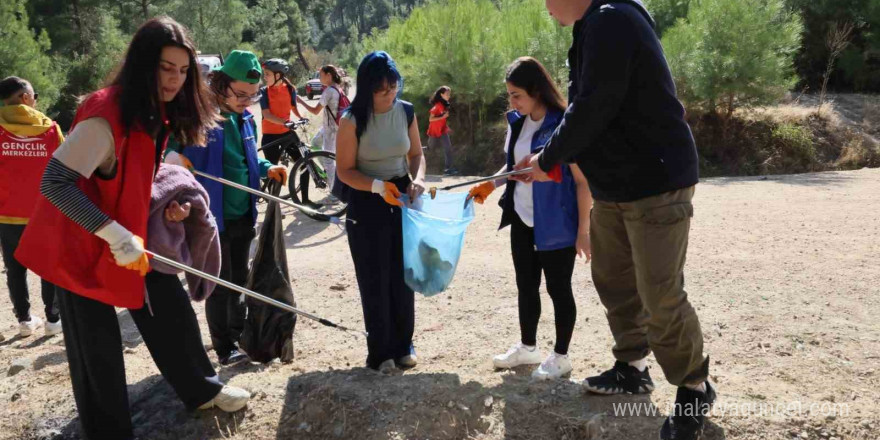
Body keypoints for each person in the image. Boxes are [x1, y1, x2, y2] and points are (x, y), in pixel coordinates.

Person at [14, 17, 250, 440]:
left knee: (169, 307)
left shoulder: (154, 114)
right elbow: (55, 182)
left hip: (126, 237)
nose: (175, 79)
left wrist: (166, 206)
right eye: (165, 68)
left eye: (183, 70)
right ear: (144, 64)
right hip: (75, 243)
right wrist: (114, 234)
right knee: (97, 348)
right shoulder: (106, 114)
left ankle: (202, 390)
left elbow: (132, 174)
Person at [517, 1, 713, 439]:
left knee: (659, 292)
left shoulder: (611, 20)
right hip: (614, 187)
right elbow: (584, 110)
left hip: (655, 181)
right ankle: (632, 367)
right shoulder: (593, 26)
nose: (543, 5)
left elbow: (594, 106)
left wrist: (548, 157)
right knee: (615, 280)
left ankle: (694, 387)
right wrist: (548, 156)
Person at [467, 58, 592, 380]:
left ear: (536, 91)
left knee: (558, 288)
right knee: (526, 285)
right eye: (509, 95)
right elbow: (513, 168)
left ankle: (561, 356)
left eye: (517, 95)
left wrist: (584, 230)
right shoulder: (517, 123)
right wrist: (489, 185)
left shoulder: (565, 125)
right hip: (522, 218)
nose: (511, 102)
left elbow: (582, 181)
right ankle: (528, 347)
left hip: (556, 222)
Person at [166, 50, 288, 366]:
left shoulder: (246, 118)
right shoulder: (195, 116)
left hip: (243, 212)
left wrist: (267, 167)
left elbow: (247, 159)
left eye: (253, 95)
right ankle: (223, 347)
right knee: (219, 283)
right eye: (241, 94)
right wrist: (176, 161)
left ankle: (239, 335)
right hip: (209, 216)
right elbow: (167, 156)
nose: (247, 101)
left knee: (240, 277)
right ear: (221, 84)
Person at [336, 51, 426, 374]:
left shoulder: (406, 112)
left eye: (394, 87)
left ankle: (404, 345)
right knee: (374, 277)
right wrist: (376, 187)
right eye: (382, 90)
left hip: (402, 196)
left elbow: (416, 154)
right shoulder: (351, 120)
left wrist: (416, 180)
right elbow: (345, 171)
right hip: (367, 199)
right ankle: (380, 352)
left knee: (403, 275)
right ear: (367, 88)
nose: (390, 95)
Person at [0, 76, 61, 337]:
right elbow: (65, 171)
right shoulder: (51, 129)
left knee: (15, 269)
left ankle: (24, 322)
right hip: (44, 213)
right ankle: (53, 321)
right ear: (25, 98)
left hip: (6, 213)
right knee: (49, 266)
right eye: (34, 97)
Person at [299, 64, 347, 193]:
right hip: (328, 127)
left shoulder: (329, 91)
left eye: (321, 75)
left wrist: (300, 101)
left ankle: (334, 192)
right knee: (315, 143)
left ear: (328, 75)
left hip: (331, 129)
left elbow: (315, 111)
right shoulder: (337, 88)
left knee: (328, 159)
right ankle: (327, 173)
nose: (319, 78)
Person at [426, 86, 457, 175]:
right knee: (429, 149)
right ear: (441, 94)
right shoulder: (437, 105)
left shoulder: (444, 104)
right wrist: (442, 117)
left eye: (449, 94)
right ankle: (416, 151)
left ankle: (448, 169)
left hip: (442, 130)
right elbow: (431, 119)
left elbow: (442, 120)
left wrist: (447, 127)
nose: (449, 96)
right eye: (447, 94)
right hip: (434, 131)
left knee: (448, 148)